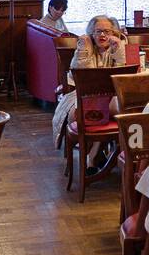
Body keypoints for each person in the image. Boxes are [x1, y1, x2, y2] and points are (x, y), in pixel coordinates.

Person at [52, 15, 127, 171]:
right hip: (83, 94)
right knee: (83, 112)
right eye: (98, 31)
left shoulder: (118, 47)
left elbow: (123, 77)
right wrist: (85, 50)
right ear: (91, 33)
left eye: (107, 31)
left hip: (111, 95)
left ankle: (93, 156)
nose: (102, 35)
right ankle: (95, 156)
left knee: (119, 109)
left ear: (114, 33)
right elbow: (81, 77)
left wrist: (118, 50)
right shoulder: (85, 47)